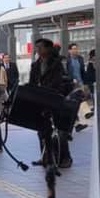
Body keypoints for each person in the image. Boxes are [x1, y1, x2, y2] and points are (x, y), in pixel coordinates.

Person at [29, 38, 73, 168]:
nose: (38, 50)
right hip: (41, 101)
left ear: (48, 48)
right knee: (41, 130)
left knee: (60, 130)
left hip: (55, 99)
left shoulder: (58, 63)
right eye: (36, 47)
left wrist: (45, 91)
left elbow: (59, 82)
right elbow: (32, 82)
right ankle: (45, 156)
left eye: (40, 47)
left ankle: (65, 158)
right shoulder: (35, 65)